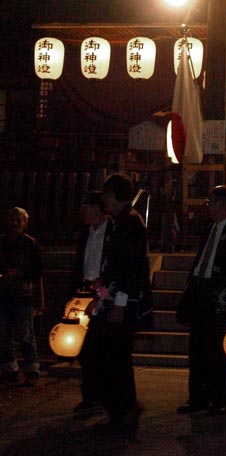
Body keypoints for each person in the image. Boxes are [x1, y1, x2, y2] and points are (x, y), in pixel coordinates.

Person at [175, 185, 226, 416]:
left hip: (221, 296)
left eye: (211, 202)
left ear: (221, 205)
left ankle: (219, 397)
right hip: (201, 292)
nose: (208, 207)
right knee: (197, 348)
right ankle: (198, 397)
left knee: (219, 351)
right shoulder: (209, 231)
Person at [81, 173, 153, 435]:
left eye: (106, 196)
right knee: (108, 354)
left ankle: (123, 410)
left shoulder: (130, 223)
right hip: (114, 295)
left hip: (122, 299)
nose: (104, 202)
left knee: (114, 356)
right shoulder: (122, 222)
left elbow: (131, 267)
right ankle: (121, 408)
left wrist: (120, 303)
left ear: (113, 196)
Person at [71, 190, 110, 413]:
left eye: (85, 205)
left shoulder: (111, 230)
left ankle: (98, 395)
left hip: (103, 292)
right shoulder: (86, 232)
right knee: (87, 348)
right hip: (85, 290)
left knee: (96, 347)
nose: (81, 210)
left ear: (96, 207)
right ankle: (92, 395)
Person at [0, 207, 44, 387]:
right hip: (3, 294)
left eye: (19, 220)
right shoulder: (1, 242)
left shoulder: (30, 244)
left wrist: (21, 275)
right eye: (12, 219)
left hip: (23, 296)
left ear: (25, 223)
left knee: (26, 334)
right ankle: (9, 369)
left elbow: (38, 270)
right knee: (3, 334)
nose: (15, 223)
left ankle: (32, 370)